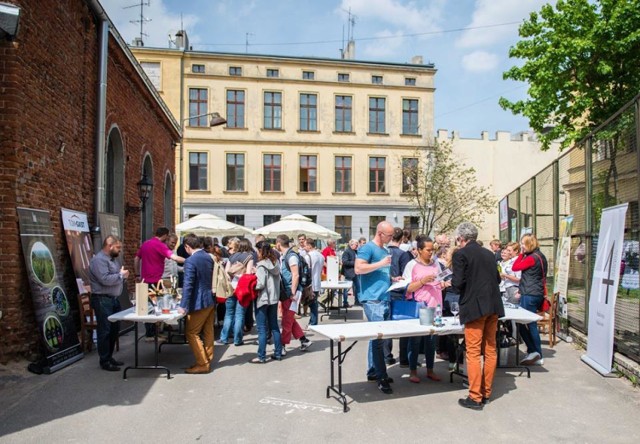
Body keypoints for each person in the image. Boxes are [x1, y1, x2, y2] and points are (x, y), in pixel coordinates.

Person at [451, 222, 504, 410]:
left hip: (474, 307)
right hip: (493, 305)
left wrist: (448, 282)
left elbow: (457, 284)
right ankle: (486, 392)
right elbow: (497, 279)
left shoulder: (460, 254)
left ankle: (475, 396)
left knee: (473, 352)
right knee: (490, 350)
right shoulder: (489, 254)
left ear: (461, 238)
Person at [355, 221, 394, 394]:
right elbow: (359, 268)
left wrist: (394, 279)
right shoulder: (367, 248)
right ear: (380, 233)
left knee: (378, 338)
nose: (391, 238)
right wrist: (381, 263)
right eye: (389, 235)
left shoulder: (385, 250)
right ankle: (381, 376)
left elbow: (381, 273)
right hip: (372, 300)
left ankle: (373, 371)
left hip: (384, 298)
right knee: (379, 339)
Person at [402, 235, 445, 383]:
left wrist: (444, 283)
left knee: (431, 340)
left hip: (436, 305)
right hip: (420, 306)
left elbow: (440, 280)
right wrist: (422, 281)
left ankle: (430, 370)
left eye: (432, 250)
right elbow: (407, 287)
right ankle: (413, 371)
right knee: (415, 340)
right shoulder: (411, 265)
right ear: (419, 250)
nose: (430, 253)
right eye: (428, 250)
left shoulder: (436, 264)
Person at [134, 227, 185, 339]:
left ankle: (152, 333)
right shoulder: (160, 245)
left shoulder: (145, 244)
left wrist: (137, 274)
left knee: (147, 307)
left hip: (144, 281)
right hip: (156, 282)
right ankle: (151, 334)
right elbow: (174, 257)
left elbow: (136, 259)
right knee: (157, 307)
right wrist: (189, 260)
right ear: (165, 235)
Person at [88, 235, 128, 371]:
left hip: (113, 299)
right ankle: (104, 360)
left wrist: (121, 276)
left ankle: (109, 357)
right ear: (109, 246)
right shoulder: (98, 260)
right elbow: (105, 279)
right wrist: (121, 275)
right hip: (102, 299)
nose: (120, 250)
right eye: (118, 247)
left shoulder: (112, 260)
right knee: (105, 330)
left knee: (114, 329)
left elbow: (115, 276)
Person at [177, 234, 215, 374]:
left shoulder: (191, 261)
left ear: (187, 246)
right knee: (208, 331)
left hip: (199, 301)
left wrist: (183, 306)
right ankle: (207, 359)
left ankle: (202, 363)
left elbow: (188, 285)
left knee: (192, 332)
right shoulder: (208, 256)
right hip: (210, 299)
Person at [512, 233, 547, 366]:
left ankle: (536, 352)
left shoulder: (532, 258)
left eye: (522, 244)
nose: (521, 246)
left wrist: (521, 254)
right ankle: (534, 351)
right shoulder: (541, 256)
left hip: (530, 294)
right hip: (536, 292)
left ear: (529, 244)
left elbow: (515, 267)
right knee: (527, 323)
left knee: (526, 323)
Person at [276, 235, 312, 354]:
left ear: (278, 244)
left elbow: (295, 275)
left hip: (291, 293)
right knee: (290, 319)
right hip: (288, 292)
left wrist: (292, 292)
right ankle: (304, 340)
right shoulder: (286, 256)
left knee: (286, 320)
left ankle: (282, 346)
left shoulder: (291, 257)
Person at [251, 240, 283, 363]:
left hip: (263, 299)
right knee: (274, 326)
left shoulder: (261, 265)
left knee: (262, 329)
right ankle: (278, 353)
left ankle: (261, 356)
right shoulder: (276, 263)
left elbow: (260, 284)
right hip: (274, 299)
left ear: (260, 251)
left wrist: (252, 283)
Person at [218, 238, 254, 346]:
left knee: (229, 314)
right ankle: (238, 339)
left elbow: (226, 273)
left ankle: (224, 338)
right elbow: (248, 275)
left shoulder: (231, 257)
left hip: (231, 288)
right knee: (239, 314)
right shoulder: (249, 257)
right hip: (242, 288)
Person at [386, 227, 413, 366]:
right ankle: (403, 358)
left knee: (387, 324)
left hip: (385, 291)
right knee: (403, 325)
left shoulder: (383, 252)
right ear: (402, 238)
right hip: (399, 292)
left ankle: (387, 355)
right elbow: (406, 276)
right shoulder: (403, 254)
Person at [304, 238, 324, 326]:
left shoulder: (308, 256)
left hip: (310, 283)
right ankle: (312, 321)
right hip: (317, 282)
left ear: (309, 245)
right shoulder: (321, 256)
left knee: (312, 303)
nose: (304, 248)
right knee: (313, 302)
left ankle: (313, 322)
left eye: (305, 245)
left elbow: (306, 271)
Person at [341, 239, 360, 307]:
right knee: (346, 289)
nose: (357, 245)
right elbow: (345, 262)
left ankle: (357, 301)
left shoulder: (356, 251)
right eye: (356, 244)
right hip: (349, 273)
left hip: (355, 272)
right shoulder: (347, 251)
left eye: (357, 244)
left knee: (358, 287)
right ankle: (345, 303)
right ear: (351, 244)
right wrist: (355, 263)